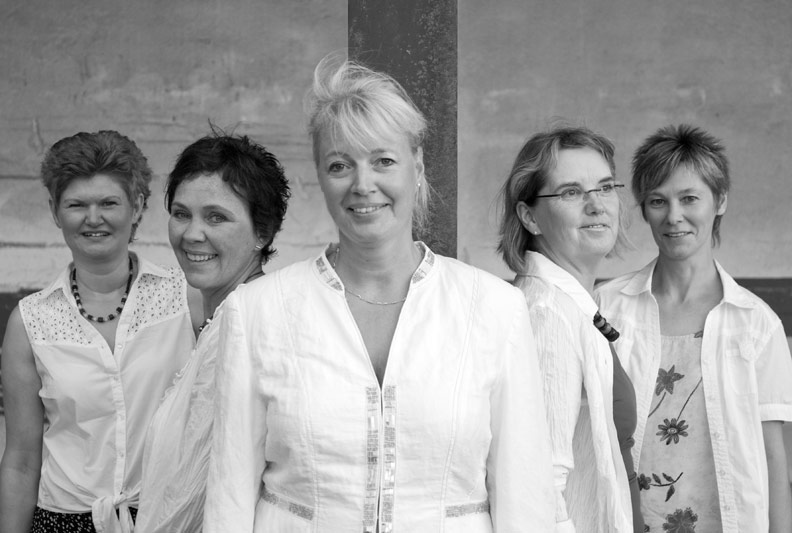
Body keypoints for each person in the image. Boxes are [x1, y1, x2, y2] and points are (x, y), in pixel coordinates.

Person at [202, 55, 555, 532]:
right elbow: (229, 495)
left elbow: (525, 499)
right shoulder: (258, 310)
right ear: (320, 177)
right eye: (339, 165)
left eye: (383, 161)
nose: (362, 184)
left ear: (417, 166)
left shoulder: (494, 309)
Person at [596, 124, 792, 533]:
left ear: (720, 201)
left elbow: (773, 457)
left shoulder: (756, 325)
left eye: (689, 198)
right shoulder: (607, 308)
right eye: (658, 201)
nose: (674, 216)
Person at [0, 131, 195, 533]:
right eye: (76, 204)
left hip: (170, 517)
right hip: (62, 522)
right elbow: (21, 461)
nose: (93, 218)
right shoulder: (30, 321)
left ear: (136, 206)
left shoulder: (185, 298)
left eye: (108, 203)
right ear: (55, 212)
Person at [135, 132, 290, 533]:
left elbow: (200, 497)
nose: (192, 234)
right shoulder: (222, 320)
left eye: (216, 217)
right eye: (181, 213)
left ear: (262, 232)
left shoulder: (248, 330)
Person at [497, 126, 642, 532]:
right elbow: (541, 485)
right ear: (530, 216)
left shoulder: (572, 304)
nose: (596, 205)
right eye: (571, 192)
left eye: (605, 188)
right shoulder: (547, 314)